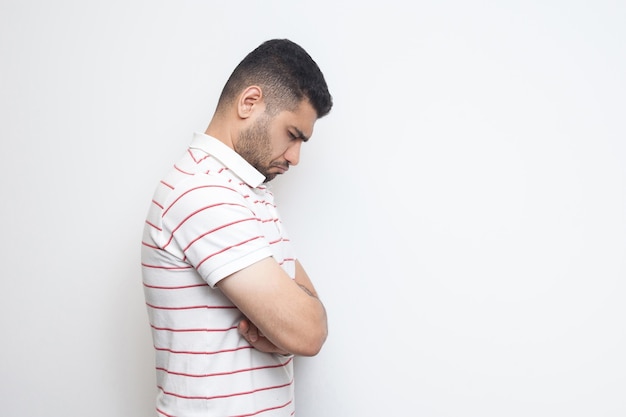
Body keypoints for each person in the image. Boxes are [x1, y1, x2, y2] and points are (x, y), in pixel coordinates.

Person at [141, 39, 333, 417]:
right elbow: (308, 333)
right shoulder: (203, 193)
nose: (295, 157)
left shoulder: (245, 192)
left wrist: (288, 326)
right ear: (249, 102)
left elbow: (312, 320)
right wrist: (286, 328)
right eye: (293, 134)